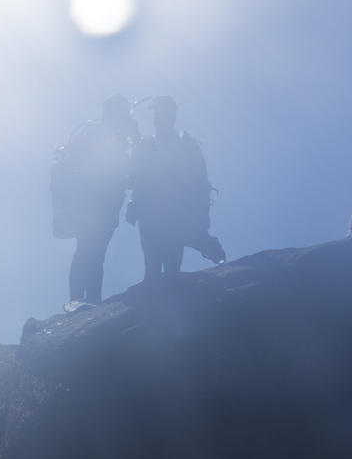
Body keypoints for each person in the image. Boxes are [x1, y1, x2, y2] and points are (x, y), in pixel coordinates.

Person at [52, 95, 138, 305]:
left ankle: (90, 299)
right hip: (89, 205)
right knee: (86, 250)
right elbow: (95, 159)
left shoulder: (115, 141)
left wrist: (134, 139)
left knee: (95, 252)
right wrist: (126, 139)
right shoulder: (94, 132)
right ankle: (78, 299)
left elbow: (131, 173)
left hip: (106, 207)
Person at [128, 96, 225, 281]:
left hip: (176, 209)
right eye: (157, 113)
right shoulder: (147, 144)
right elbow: (135, 174)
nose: (160, 117)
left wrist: (202, 214)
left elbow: (201, 182)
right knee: (152, 269)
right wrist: (134, 202)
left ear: (172, 116)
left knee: (171, 266)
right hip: (149, 210)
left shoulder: (186, 145)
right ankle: (206, 245)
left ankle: (207, 245)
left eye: (164, 112)